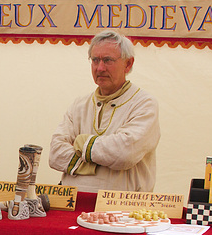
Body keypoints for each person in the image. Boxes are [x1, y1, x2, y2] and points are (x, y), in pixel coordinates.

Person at [49, 30, 161, 193]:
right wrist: (103, 157)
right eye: (95, 60)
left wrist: (81, 143)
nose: (100, 68)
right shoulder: (79, 105)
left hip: (122, 210)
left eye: (108, 60)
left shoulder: (144, 104)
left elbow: (124, 153)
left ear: (128, 64)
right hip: (73, 204)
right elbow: (55, 153)